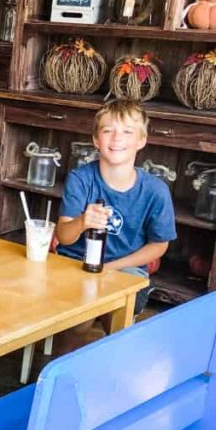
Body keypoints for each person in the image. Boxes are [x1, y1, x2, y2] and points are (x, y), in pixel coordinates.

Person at [55, 99, 176, 341]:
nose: (117, 138)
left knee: (119, 322)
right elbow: (64, 237)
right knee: (78, 323)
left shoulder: (155, 190)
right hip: (77, 264)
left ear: (141, 141)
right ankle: (64, 368)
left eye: (127, 132)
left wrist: (110, 268)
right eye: (108, 130)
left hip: (126, 270)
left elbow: (160, 245)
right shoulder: (80, 179)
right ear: (96, 140)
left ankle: (117, 372)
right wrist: (81, 222)